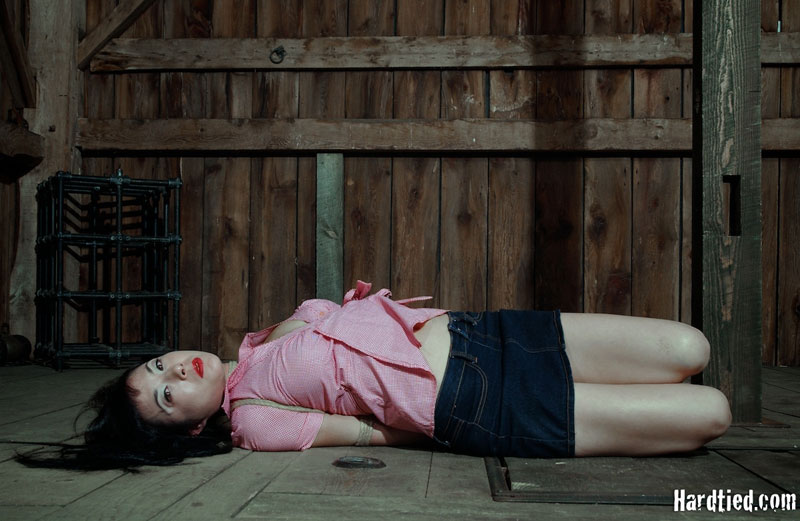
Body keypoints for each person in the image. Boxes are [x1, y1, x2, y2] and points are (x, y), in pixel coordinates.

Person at [16, 281, 731, 470]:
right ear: (193, 427)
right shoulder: (253, 418)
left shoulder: (257, 342)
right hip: (474, 402)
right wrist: (455, 425)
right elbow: (368, 432)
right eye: (168, 395)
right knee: (712, 415)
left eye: (157, 365)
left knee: (688, 346)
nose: (173, 369)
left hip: (483, 330)